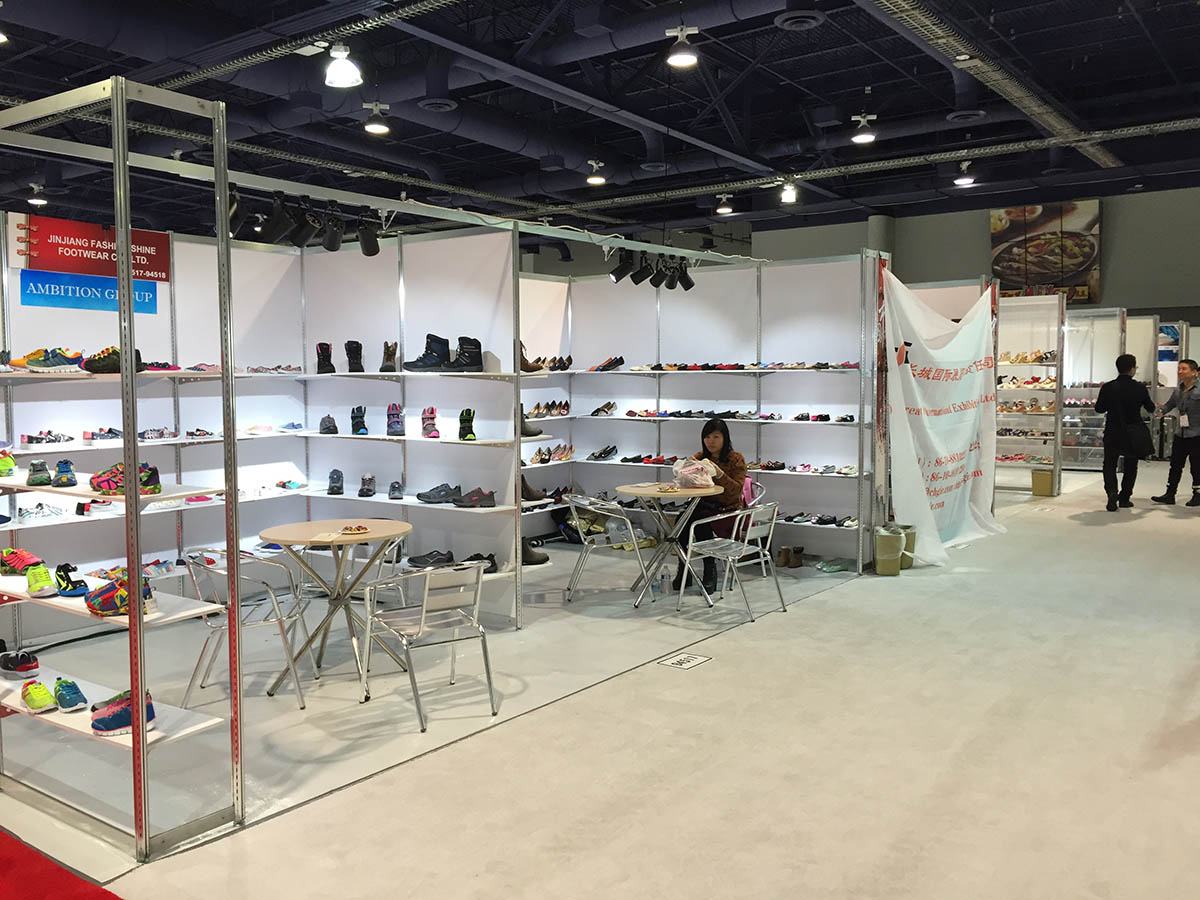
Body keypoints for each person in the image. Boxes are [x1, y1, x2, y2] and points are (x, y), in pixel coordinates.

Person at [673, 417, 747, 593]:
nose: (711, 441)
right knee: (681, 519)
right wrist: (686, 472)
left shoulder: (736, 459)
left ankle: (709, 570)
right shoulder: (700, 457)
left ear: (725, 438)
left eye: (716, 437)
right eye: (707, 437)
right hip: (703, 505)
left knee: (700, 522)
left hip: (727, 510)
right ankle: (683, 567)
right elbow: (690, 484)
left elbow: (736, 491)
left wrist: (719, 474)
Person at [1094, 353, 1155, 512]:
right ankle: (1125, 497)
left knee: (1109, 464)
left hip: (1113, 430)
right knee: (1131, 465)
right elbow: (1150, 407)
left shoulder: (1108, 387)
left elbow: (1099, 408)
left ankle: (1111, 493)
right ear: (1132, 369)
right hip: (1132, 432)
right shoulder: (1140, 387)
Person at [1152, 358, 1200, 507]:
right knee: (1175, 465)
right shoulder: (1178, 390)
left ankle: (1197, 494)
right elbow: (1169, 405)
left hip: (1197, 434)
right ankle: (1170, 493)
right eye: (1179, 369)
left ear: (1194, 372)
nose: (1180, 372)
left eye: (1184, 369)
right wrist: (1159, 411)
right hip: (1181, 434)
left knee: (1196, 467)